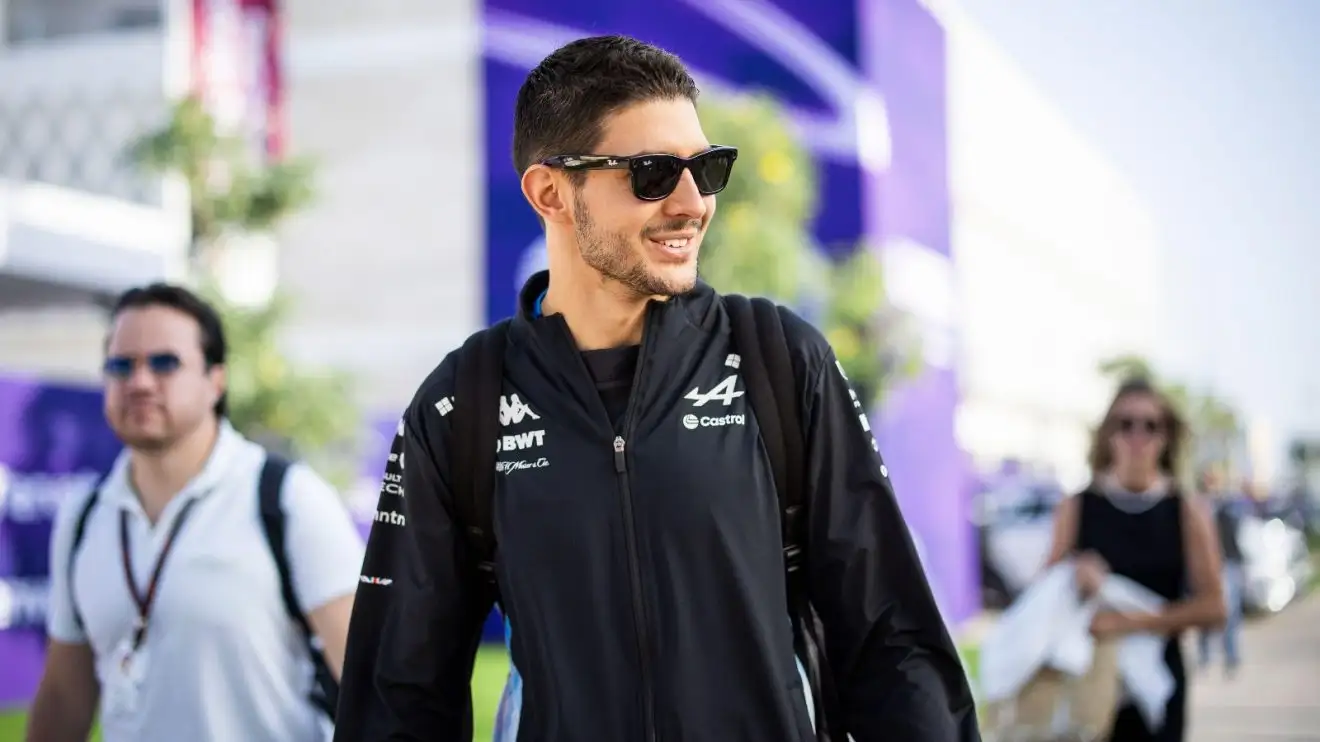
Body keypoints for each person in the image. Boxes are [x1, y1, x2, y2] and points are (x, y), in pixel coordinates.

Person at [334, 35, 978, 742]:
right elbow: (398, 695)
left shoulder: (778, 360)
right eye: (651, 173)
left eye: (706, 169)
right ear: (551, 192)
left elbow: (893, 637)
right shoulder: (464, 402)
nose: (692, 202)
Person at [27, 284, 365, 742]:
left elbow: (371, 681)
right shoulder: (85, 513)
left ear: (216, 380)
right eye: (121, 365)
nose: (140, 382)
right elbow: (66, 695)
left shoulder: (287, 499)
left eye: (165, 363)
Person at [1044, 378, 1226, 742]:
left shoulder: (1187, 511)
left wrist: (1128, 621)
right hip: (1089, 682)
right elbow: (1043, 595)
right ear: (1108, 434)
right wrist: (1072, 575)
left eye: (1150, 425)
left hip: (1157, 689)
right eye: (1125, 424)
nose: (1137, 435)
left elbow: (1214, 608)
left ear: (1166, 437)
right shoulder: (1077, 506)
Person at [1195, 467, 1245, 678]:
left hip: (1227, 565)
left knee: (1229, 615)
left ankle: (1231, 658)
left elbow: (1233, 537)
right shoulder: (1197, 507)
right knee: (1205, 614)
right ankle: (1206, 658)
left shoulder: (1227, 507)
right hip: (1207, 567)